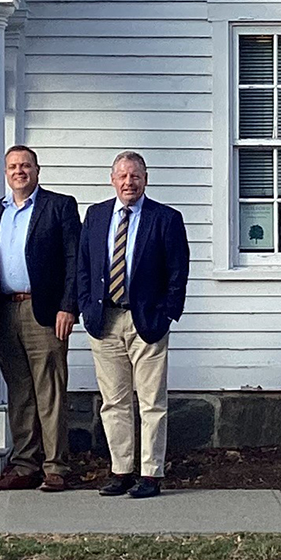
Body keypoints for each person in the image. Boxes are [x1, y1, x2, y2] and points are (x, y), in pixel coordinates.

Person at [77, 151, 189, 499]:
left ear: (146, 179)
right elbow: (83, 265)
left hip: (147, 321)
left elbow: (178, 272)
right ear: (113, 180)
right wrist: (84, 307)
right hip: (105, 319)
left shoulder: (165, 218)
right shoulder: (95, 216)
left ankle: (151, 474)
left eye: (135, 176)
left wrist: (167, 313)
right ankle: (121, 470)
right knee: (114, 401)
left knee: (152, 402)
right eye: (123, 176)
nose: (129, 182)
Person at [0, 145, 81, 493]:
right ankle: (25, 464)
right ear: (5, 173)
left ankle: (56, 466)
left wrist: (69, 306)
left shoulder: (59, 206)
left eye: (25, 165)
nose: (19, 171)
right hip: (6, 310)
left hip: (46, 311)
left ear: (37, 170)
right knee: (20, 392)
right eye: (12, 166)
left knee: (49, 390)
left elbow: (74, 259)